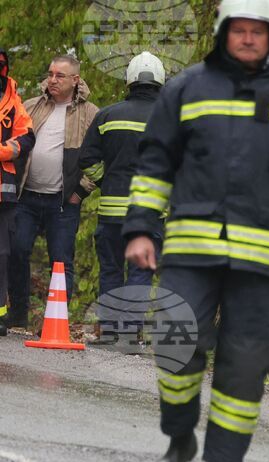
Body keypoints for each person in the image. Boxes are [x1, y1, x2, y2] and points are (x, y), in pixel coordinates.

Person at [123, 0, 269, 462]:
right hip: (191, 250)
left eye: (257, 31)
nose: (247, 38)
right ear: (223, 33)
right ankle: (179, 439)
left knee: (245, 365)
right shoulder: (185, 89)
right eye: (238, 30)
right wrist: (140, 230)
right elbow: (154, 166)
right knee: (177, 341)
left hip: (263, 261)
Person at [7, 55, 98, 328]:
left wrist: (80, 192)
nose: (53, 79)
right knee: (16, 250)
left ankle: (55, 322)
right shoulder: (31, 106)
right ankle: (19, 313)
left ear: (75, 80)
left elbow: (99, 158)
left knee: (61, 261)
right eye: (50, 74)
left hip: (63, 202)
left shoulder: (91, 113)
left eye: (60, 75)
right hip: (27, 197)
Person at [79, 52, 165, 302]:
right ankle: (129, 332)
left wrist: (106, 181)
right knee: (140, 272)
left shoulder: (107, 115)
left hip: (111, 213)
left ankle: (110, 328)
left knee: (111, 271)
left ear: (128, 81)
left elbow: (86, 159)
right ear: (161, 82)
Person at [0, 48, 36, 336]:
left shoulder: (14, 104)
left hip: (4, 192)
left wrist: (2, 151)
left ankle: (1, 313)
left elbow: (26, 137)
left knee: (3, 254)